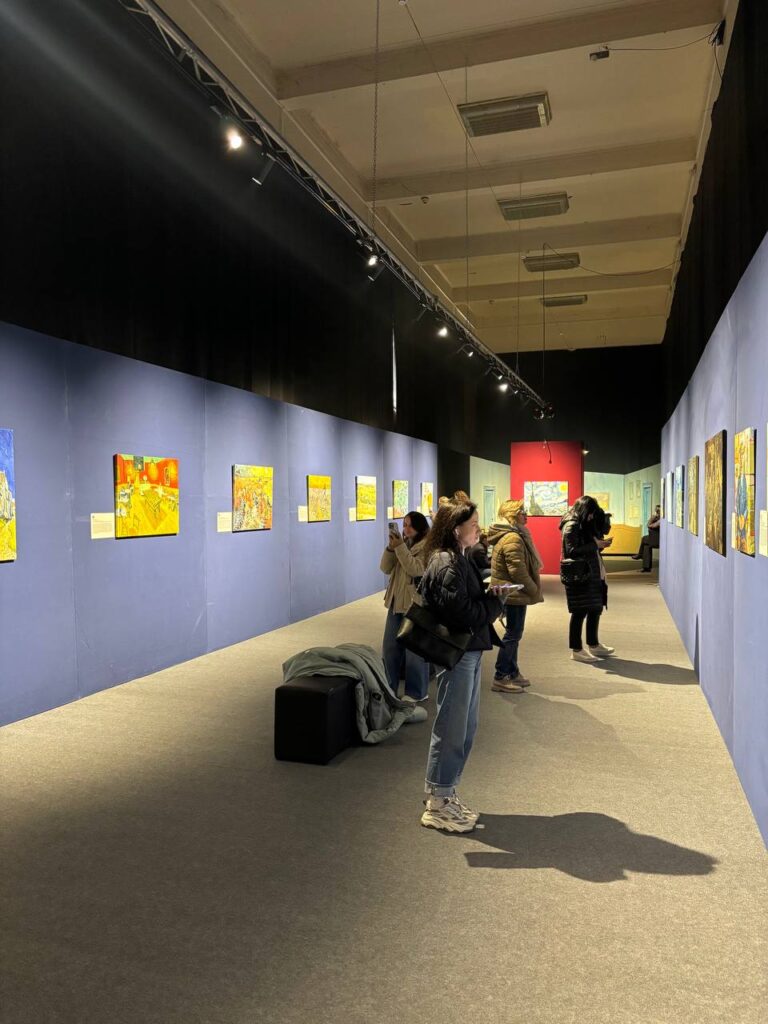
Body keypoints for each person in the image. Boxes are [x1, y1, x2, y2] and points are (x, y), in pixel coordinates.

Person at [418, 499, 507, 833]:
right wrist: (496, 601)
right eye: (473, 524)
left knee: (464, 727)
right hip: (458, 653)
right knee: (452, 728)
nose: (478, 529)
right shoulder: (446, 562)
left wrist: (490, 595)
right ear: (456, 529)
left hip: (468, 651)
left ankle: (446, 793)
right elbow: (464, 615)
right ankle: (438, 803)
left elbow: (464, 604)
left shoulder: (457, 558)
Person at [488, 499, 544, 692]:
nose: (525, 515)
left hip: (512, 591)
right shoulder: (513, 538)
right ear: (512, 515)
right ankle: (501, 676)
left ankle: (512, 671)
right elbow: (517, 571)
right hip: (513, 591)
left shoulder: (513, 535)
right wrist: (533, 589)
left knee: (514, 633)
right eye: (522, 512)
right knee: (513, 634)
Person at [380, 511, 431, 701]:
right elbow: (385, 568)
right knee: (390, 648)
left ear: (419, 526)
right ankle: (389, 688)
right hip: (396, 602)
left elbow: (416, 569)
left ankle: (417, 693)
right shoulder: (403, 543)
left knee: (414, 651)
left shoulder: (428, 546)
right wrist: (391, 548)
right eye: (404, 525)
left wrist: (400, 547)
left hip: (414, 604)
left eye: (410, 525)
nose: (405, 529)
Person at [559, 496, 616, 663]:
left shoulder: (582, 523)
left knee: (594, 608)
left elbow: (586, 544)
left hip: (591, 571)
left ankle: (593, 644)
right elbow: (571, 551)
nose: (591, 517)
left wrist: (598, 544)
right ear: (585, 511)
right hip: (579, 574)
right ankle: (576, 649)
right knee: (579, 612)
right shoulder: (572, 525)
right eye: (591, 513)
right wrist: (595, 545)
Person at [632, 504, 661, 572]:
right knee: (646, 546)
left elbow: (650, 526)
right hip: (654, 538)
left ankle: (640, 555)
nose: (657, 512)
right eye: (656, 510)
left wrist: (652, 519)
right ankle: (646, 567)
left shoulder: (661, 520)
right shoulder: (657, 518)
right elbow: (648, 525)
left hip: (659, 540)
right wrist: (652, 519)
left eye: (658, 511)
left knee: (644, 539)